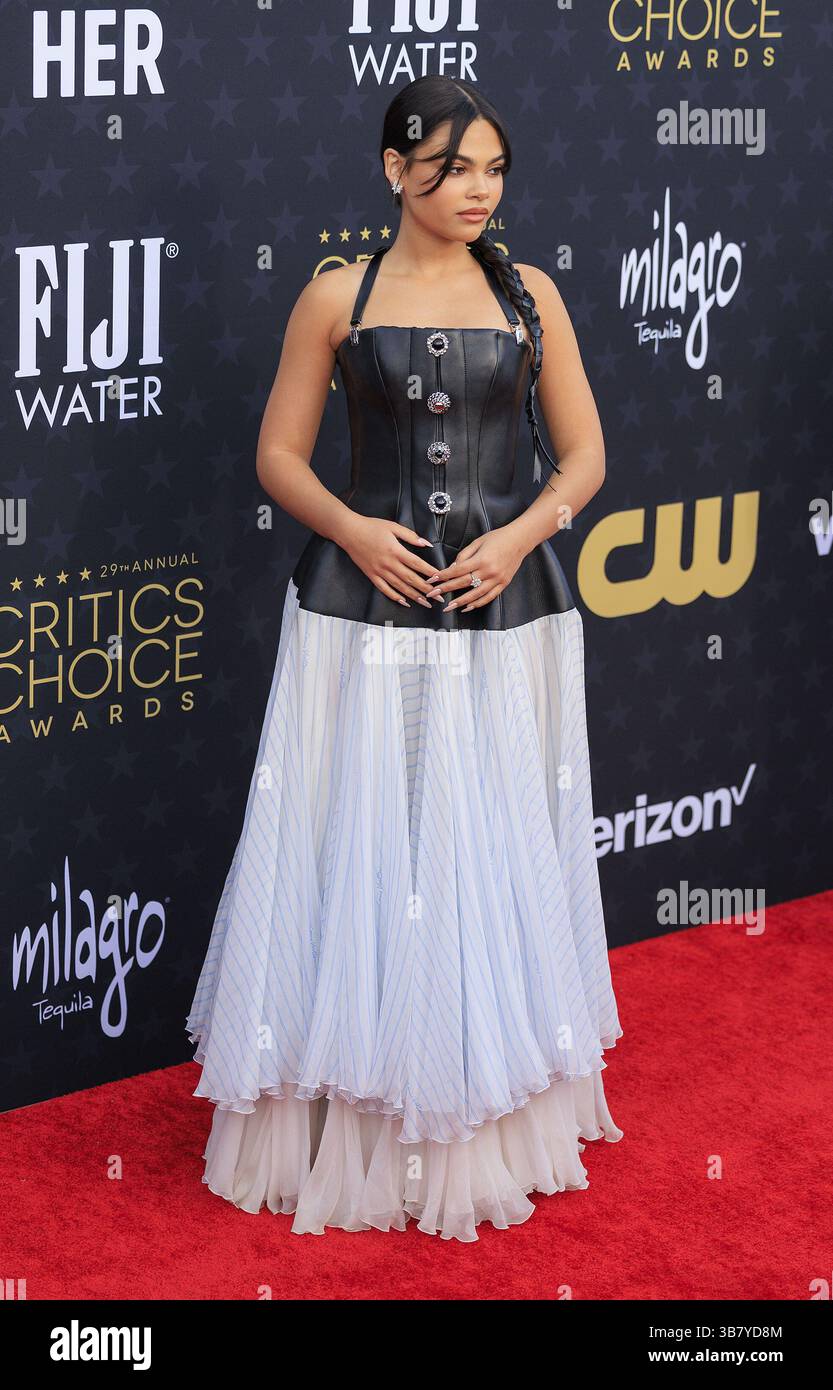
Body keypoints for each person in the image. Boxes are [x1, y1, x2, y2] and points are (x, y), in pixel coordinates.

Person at [186, 74, 623, 1243]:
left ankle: (473, 1114)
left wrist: (520, 531)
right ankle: (355, 1117)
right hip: (356, 611)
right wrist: (350, 526)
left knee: (481, 846)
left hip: (504, 611)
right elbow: (279, 454)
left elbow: (581, 458)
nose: (475, 190)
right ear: (394, 172)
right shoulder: (336, 296)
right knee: (358, 843)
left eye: (491, 170)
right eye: (448, 169)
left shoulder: (532, 295)